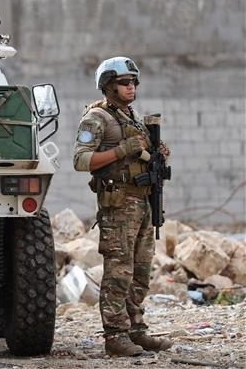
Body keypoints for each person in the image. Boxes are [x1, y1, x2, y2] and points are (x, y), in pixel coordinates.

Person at [73, 57, 172, 357]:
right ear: (107, 86)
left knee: (141, 271)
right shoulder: (97, 119)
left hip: (142, 203)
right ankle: (115, 336)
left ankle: (136, 329)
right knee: (119, 272)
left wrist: (157, 153)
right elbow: (81, 160)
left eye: (134, 83)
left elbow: (142, 156)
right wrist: (120, 151)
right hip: (118, 206)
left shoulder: (134, 118)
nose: (131, 88)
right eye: (124, 83)